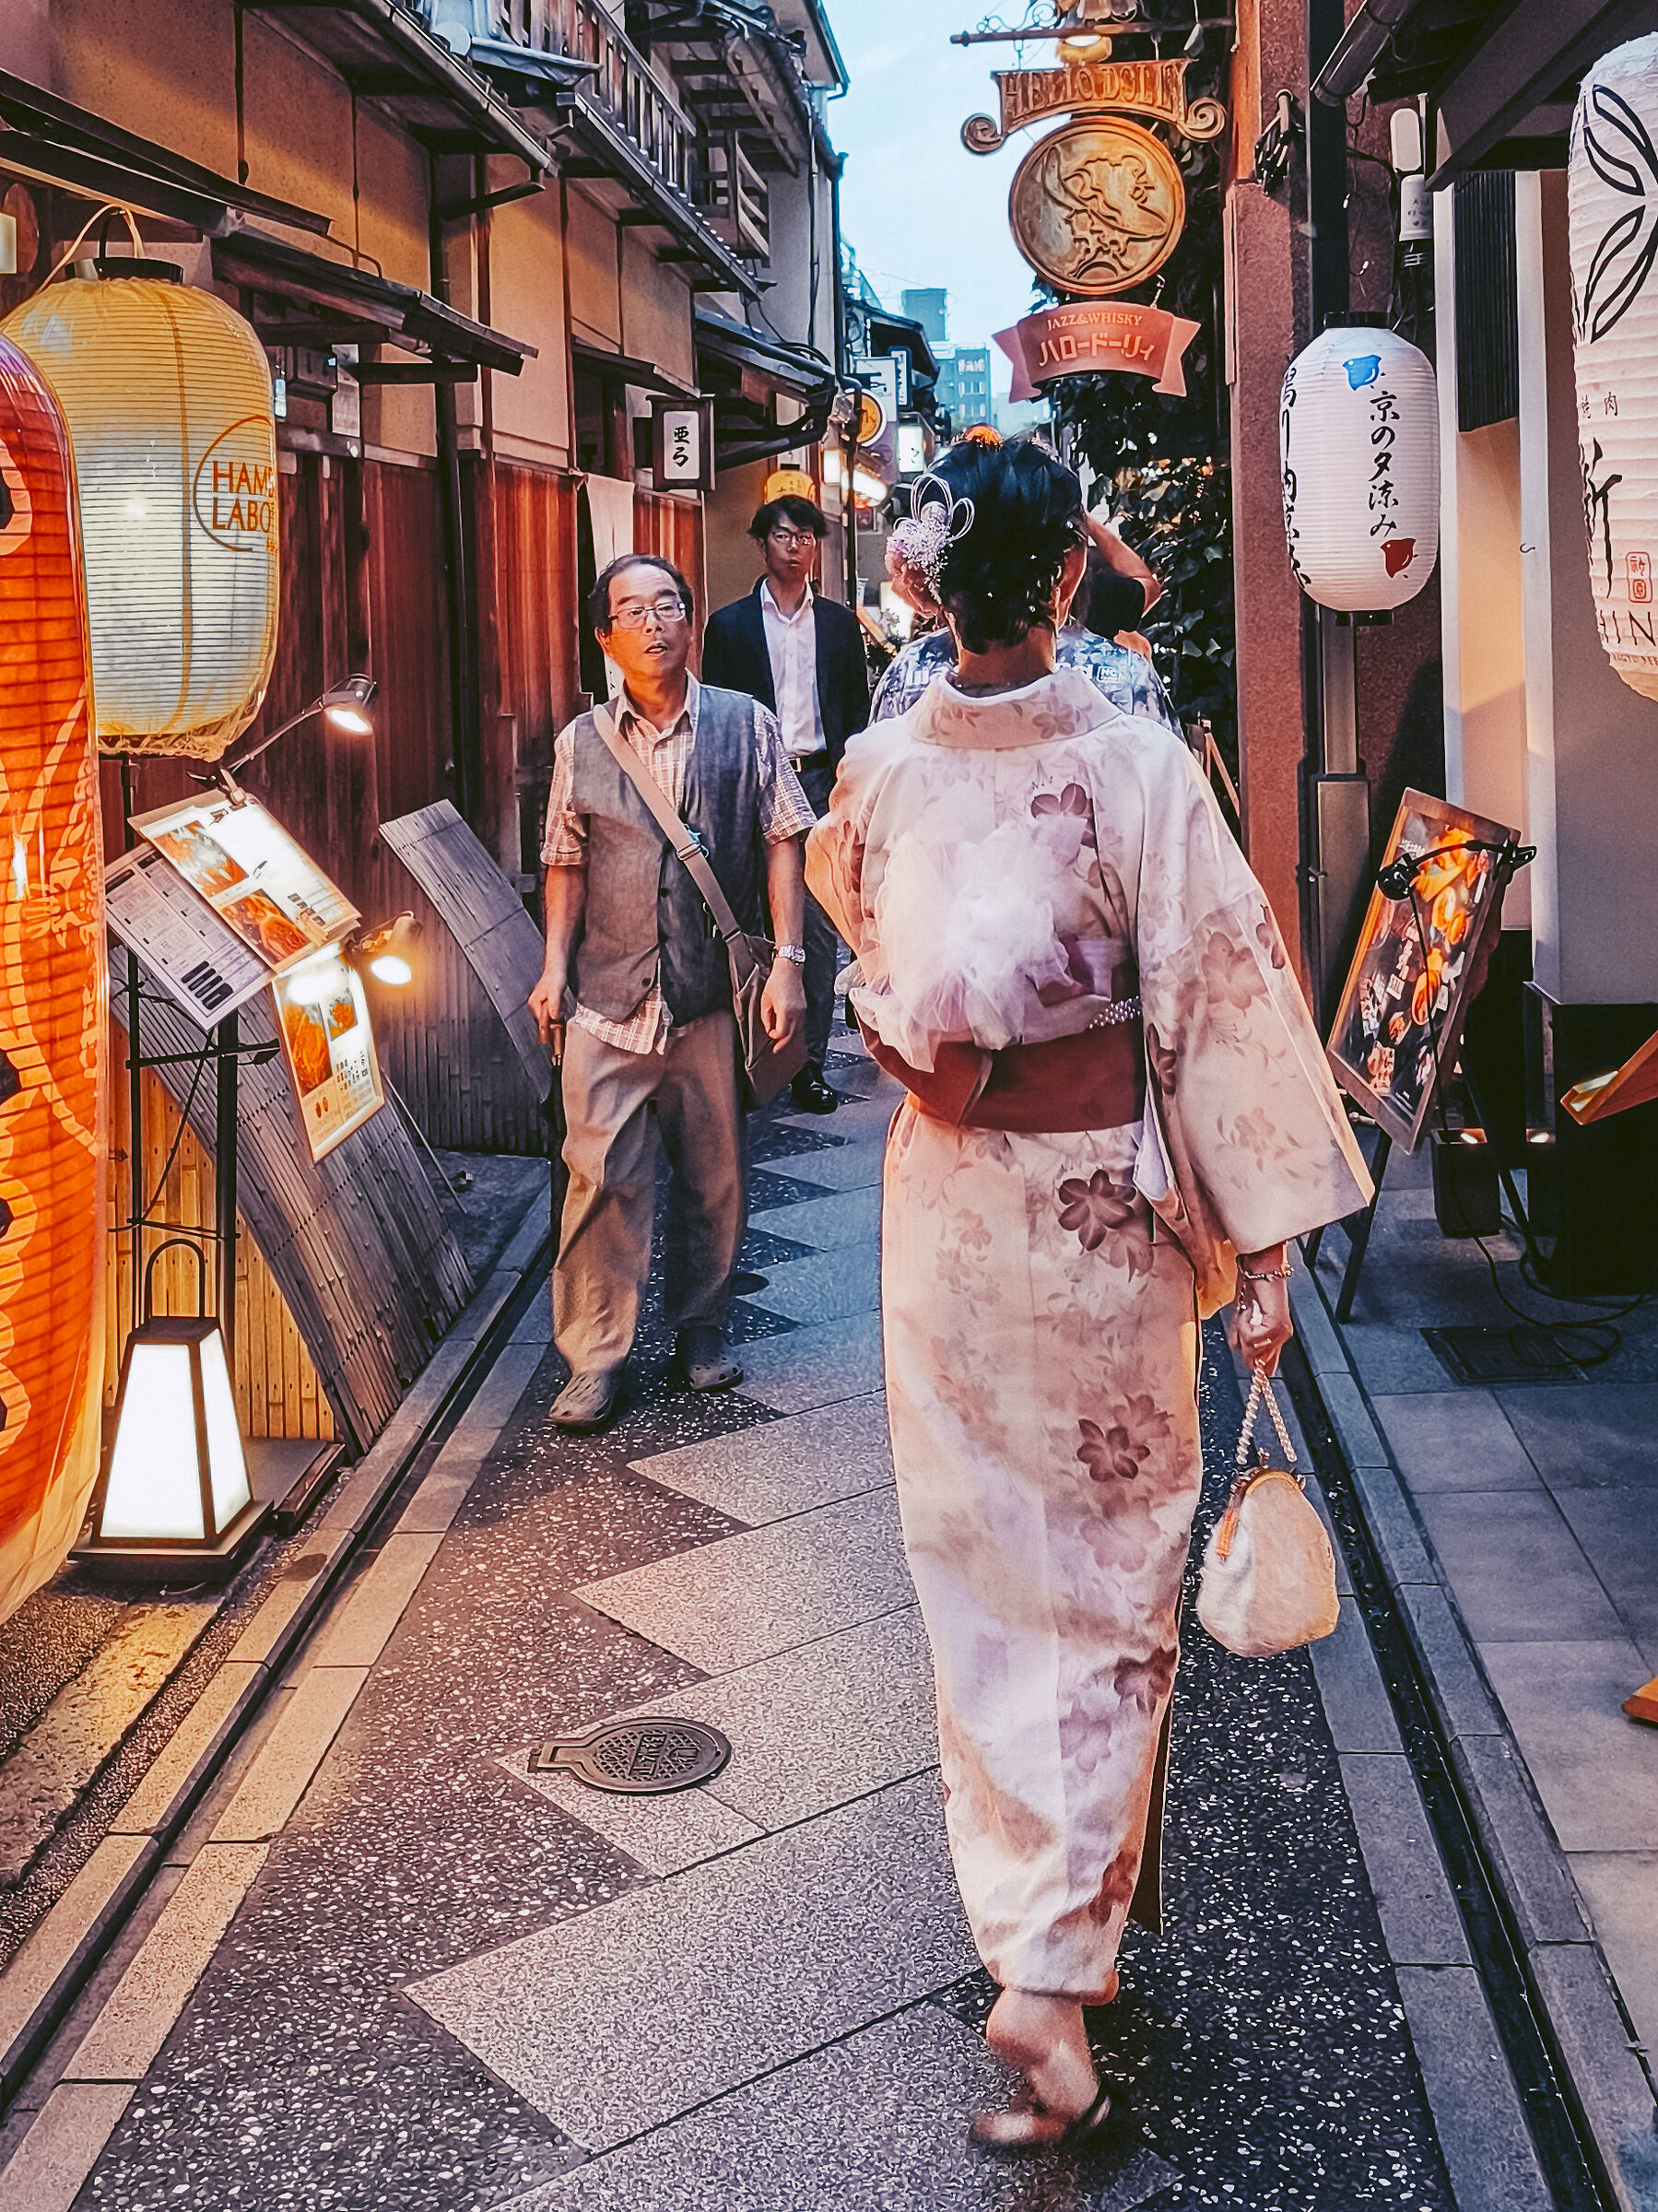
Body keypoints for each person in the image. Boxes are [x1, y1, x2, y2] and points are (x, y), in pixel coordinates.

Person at [805, 441, 1370, 2147]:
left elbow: (857, 932)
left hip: (945, 1221)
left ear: (923, 582)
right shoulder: (1131, 770)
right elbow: (1215, 1003)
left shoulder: (880, 768)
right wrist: (1257, 1248)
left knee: (979, 1577)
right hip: (1093, 1223)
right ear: (1064, 576)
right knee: (1108, 1588)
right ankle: (1046, 1981)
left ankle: (1046, 1925)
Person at [528, 554, 814, 1433]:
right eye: (632, 611)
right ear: (605, 637)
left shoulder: (745, 723)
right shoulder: (580, 742)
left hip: (706, 996)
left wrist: (790, 961)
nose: (653, 623)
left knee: (713, 1177)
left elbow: (783, 837)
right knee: (598, 1179)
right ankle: (594, 1355)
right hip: (606, 995)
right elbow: (565, 861)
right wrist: (552, 967)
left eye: (667, 606)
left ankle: (701, 1327)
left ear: (690, 621)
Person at [701, 494, 870, 1113]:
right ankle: (750, 1056)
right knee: (749, 918)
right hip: (753, 778)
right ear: (761, 543)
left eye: (805, 536)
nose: (794, 547)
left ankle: (808, 1064)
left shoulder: (839, 624)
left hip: (819, 777)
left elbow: (856, 708)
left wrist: (850, 786)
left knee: (818, 927)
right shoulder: (731, 625)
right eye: (782, 535)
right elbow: (715, 715)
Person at [871, 503, 1174, 729]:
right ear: (1071, 567)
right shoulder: (1124, 676)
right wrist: (1085, 521)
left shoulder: (910, 672)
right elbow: (1148, 585)